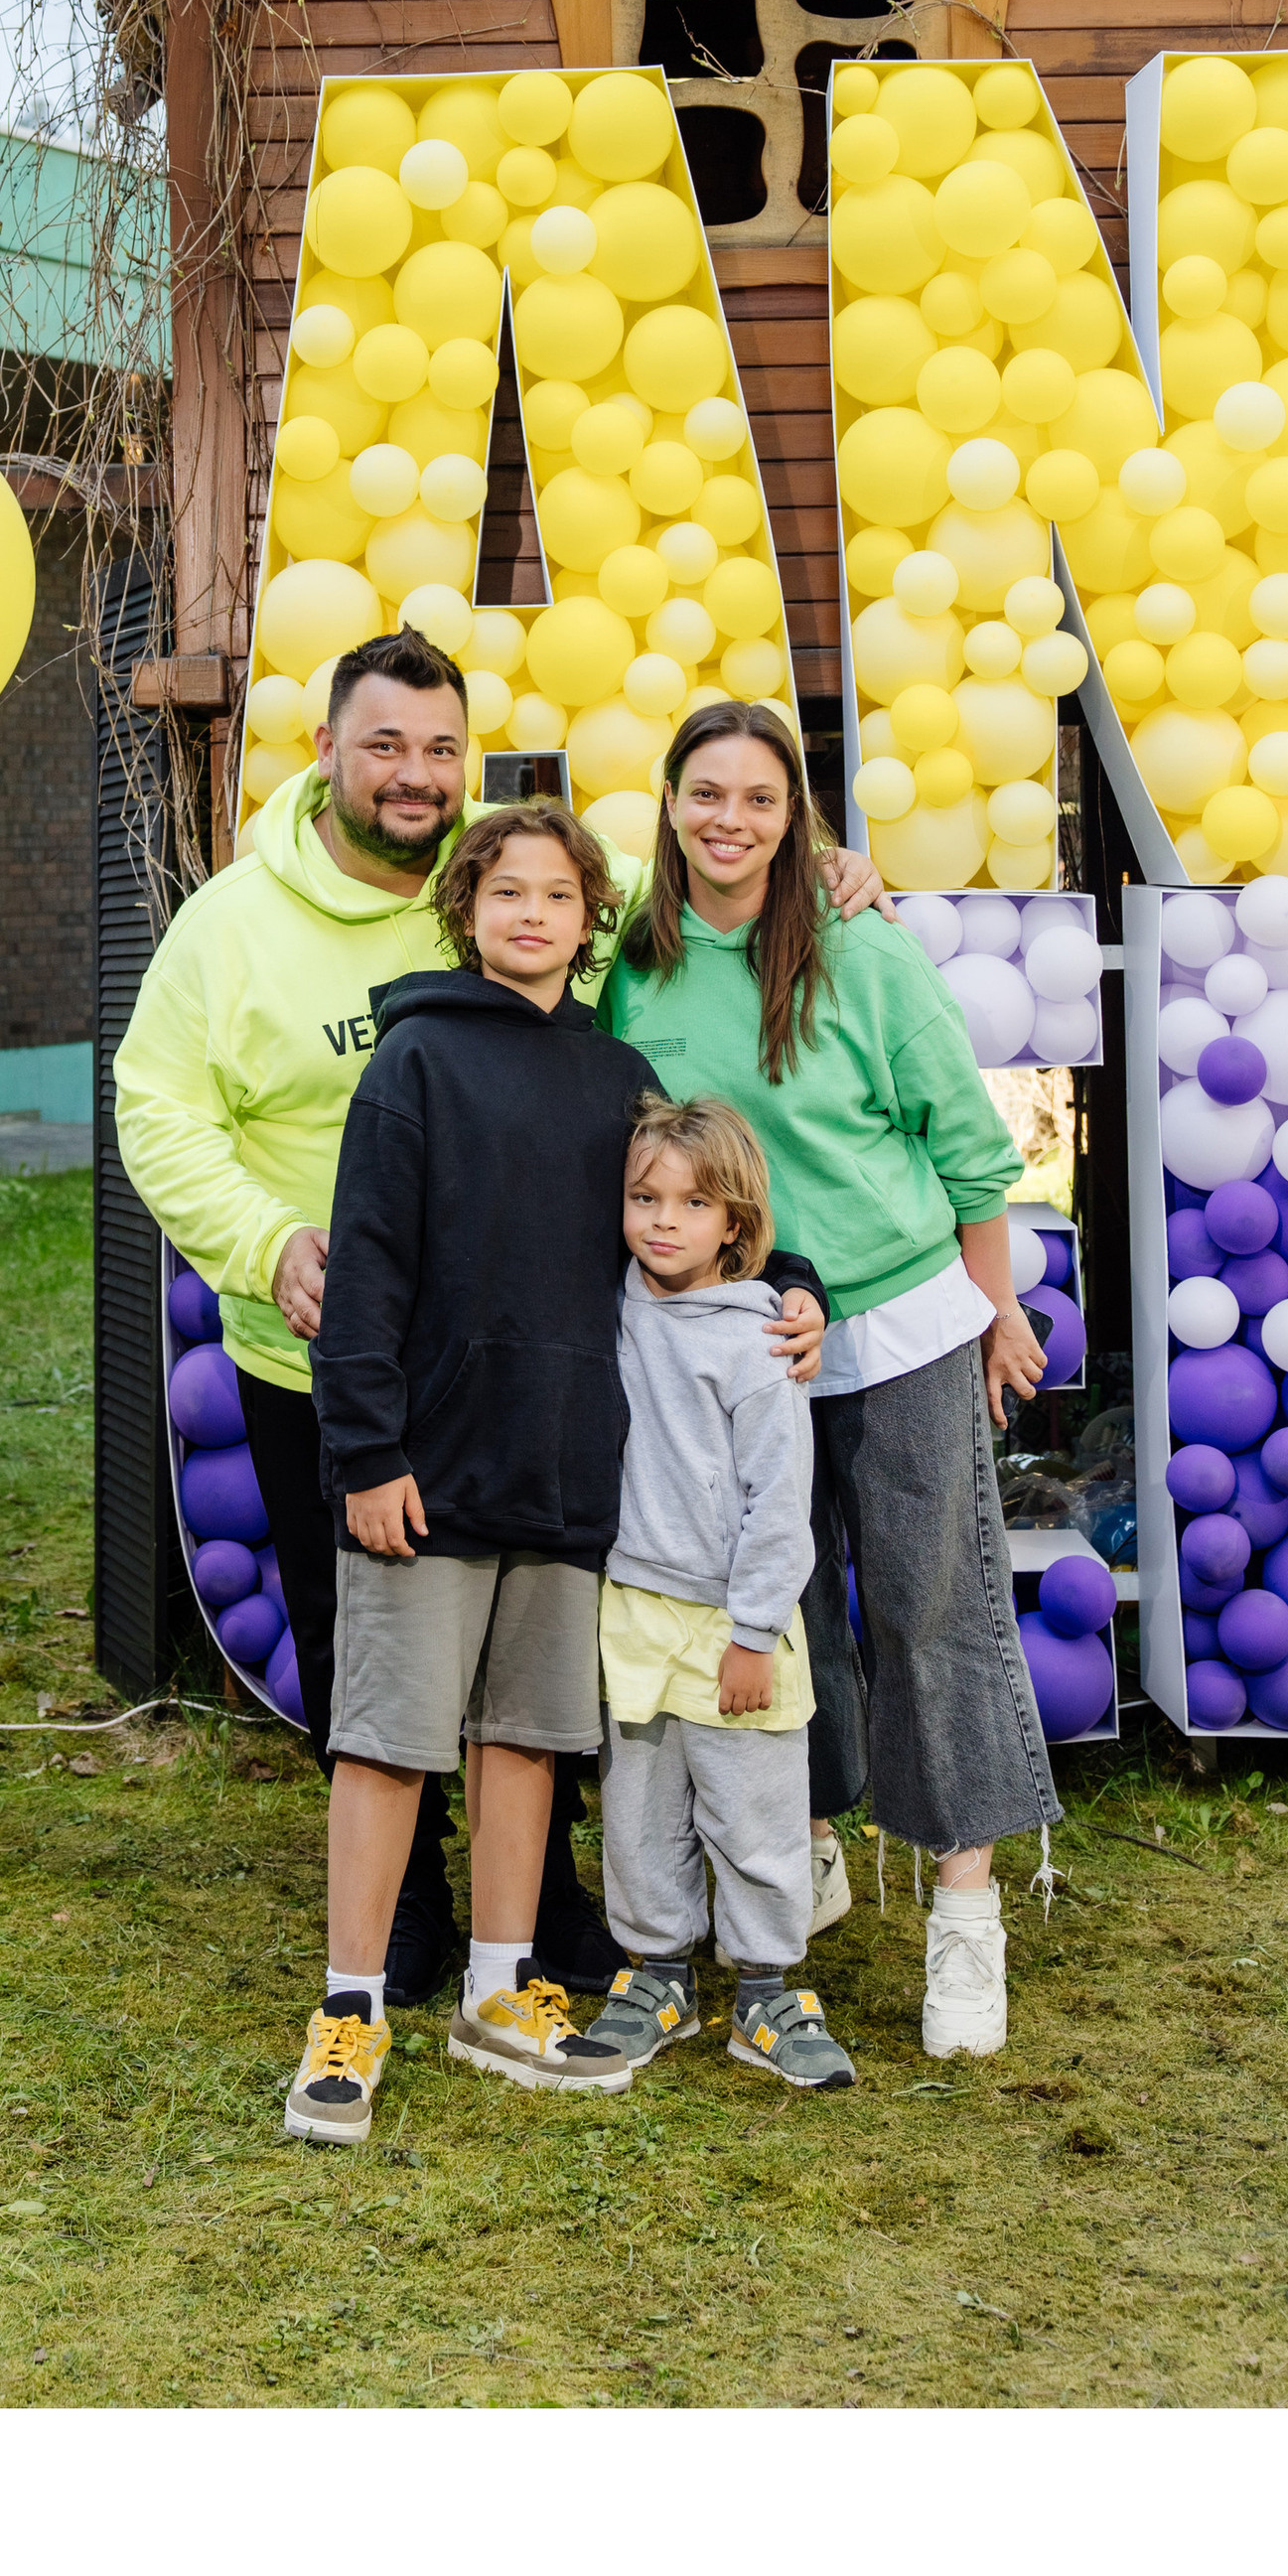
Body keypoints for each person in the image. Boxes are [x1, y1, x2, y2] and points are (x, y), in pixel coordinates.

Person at [115, 627, 872, 2000]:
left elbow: (687, 884)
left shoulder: (518, 881)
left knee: (544, 1658)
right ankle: (398, 1920)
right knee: (371, 1651)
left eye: (438, 751)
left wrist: (814, 874)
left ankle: (536, 1913)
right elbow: (155, 1110)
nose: (413, 775)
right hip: (325, 1355)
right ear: (327, 754)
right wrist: (259, 1240)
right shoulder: (229, 925)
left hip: (529, 1369)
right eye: (385, 747)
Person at [606, 699, 1057, 2061]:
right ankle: (799, 1850)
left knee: (928, 1612)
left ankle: (964, 1913)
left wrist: (992, 1308)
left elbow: (969, 1151)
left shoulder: (857, 947)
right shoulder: (634, 959)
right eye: (704, 794)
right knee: (779, 1620)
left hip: (896, 1329)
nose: (728, 821)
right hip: (734, 1349)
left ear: (795, 815)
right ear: (669, 803)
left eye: (757, 797)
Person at [285, 799, 654, 2140]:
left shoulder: (616, 1080)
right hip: (423, 1473)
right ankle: (349, 2009)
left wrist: (774, 1276)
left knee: (525, 1740)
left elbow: (676, 1227)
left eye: (558, 897)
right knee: (384, 1745)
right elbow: (366, 1265)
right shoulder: (415, 1063)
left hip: (560, 1468)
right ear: (466, 911)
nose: (532, 917)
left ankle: (503, 1994)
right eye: (508, 893)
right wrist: (366, 1450)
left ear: (585, 919)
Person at [589, 1093, 854, 2089]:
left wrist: (750, 1629)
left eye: (693, 1203)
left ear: (734, 1223)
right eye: (643, 1197)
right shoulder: (608, 1303)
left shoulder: (762, 1341)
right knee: (639, 1810)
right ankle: (656, 1975)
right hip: (633, 1609)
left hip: (737, 1622)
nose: (663, 1220)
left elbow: (779, 1505)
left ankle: (765, 1993)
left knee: (754, 1816)